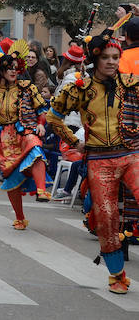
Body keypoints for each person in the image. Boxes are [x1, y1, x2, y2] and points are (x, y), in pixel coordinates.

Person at [48, 28, 139, 294]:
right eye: (105, 57)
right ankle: (117, 275)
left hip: (131, 155)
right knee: (106, 217)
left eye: (115, 57)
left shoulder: (132, 84)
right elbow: (53, 117)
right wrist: (74, 141)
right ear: (95, 59)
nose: (111, 62)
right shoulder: (80, 89)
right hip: (99, 160)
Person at [0, 44, 52, 231]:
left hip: (24, 129)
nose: (13, 71)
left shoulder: (27, 87)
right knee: (12, 178)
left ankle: (41, 190)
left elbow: (41, 109)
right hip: (3, 137)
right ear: (0, 70)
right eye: (9, 68)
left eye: (15, 68)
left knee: (35, 148)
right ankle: (19, 217)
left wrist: (40, 124)